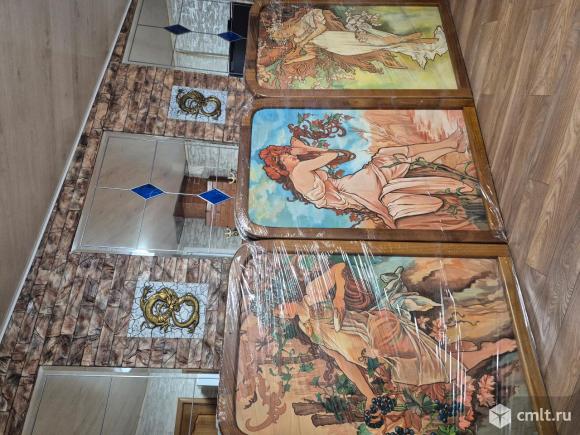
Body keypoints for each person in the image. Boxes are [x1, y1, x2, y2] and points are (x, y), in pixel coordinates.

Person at [259, 129, 478, 230]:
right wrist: (308, 149)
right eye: (285, 156)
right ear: (282, 167)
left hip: (351, 190)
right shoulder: (299, 170)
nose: (290, 154)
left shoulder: (298, 175)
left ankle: (450, 144)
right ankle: (449, 144)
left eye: (287, 152)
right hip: (354, 189)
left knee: (392, 158)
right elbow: (333, 155)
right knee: (388, 157)